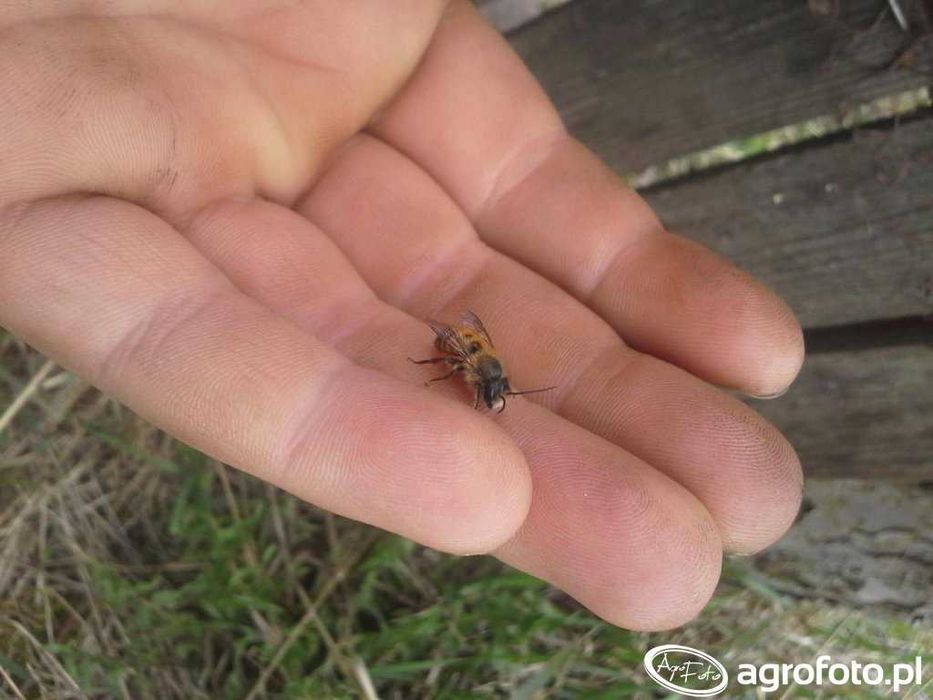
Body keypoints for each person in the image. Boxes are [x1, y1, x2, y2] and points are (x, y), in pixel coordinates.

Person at [0, 1, 804, 631]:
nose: (490, 393)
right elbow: (464, 356)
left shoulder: (487, 371)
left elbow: (480, 364)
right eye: (490, 389)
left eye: (493, 393)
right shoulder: (470, 362)